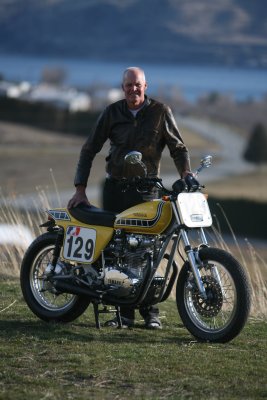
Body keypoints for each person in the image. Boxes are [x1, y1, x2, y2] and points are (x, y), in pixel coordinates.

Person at [68, 66, 193, 329]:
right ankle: (123, 314)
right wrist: (80, 188)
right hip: (115, 190)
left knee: (148, 252)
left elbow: (178, 148)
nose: (133, 89)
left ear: (146, 86)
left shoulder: (161, 112)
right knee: (115, 252)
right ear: (122, 87)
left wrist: (186, 173)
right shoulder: (112, 112)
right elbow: (89, 148)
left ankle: (151, 314)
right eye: (128, 85)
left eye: (138, 85)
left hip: (148, 192)